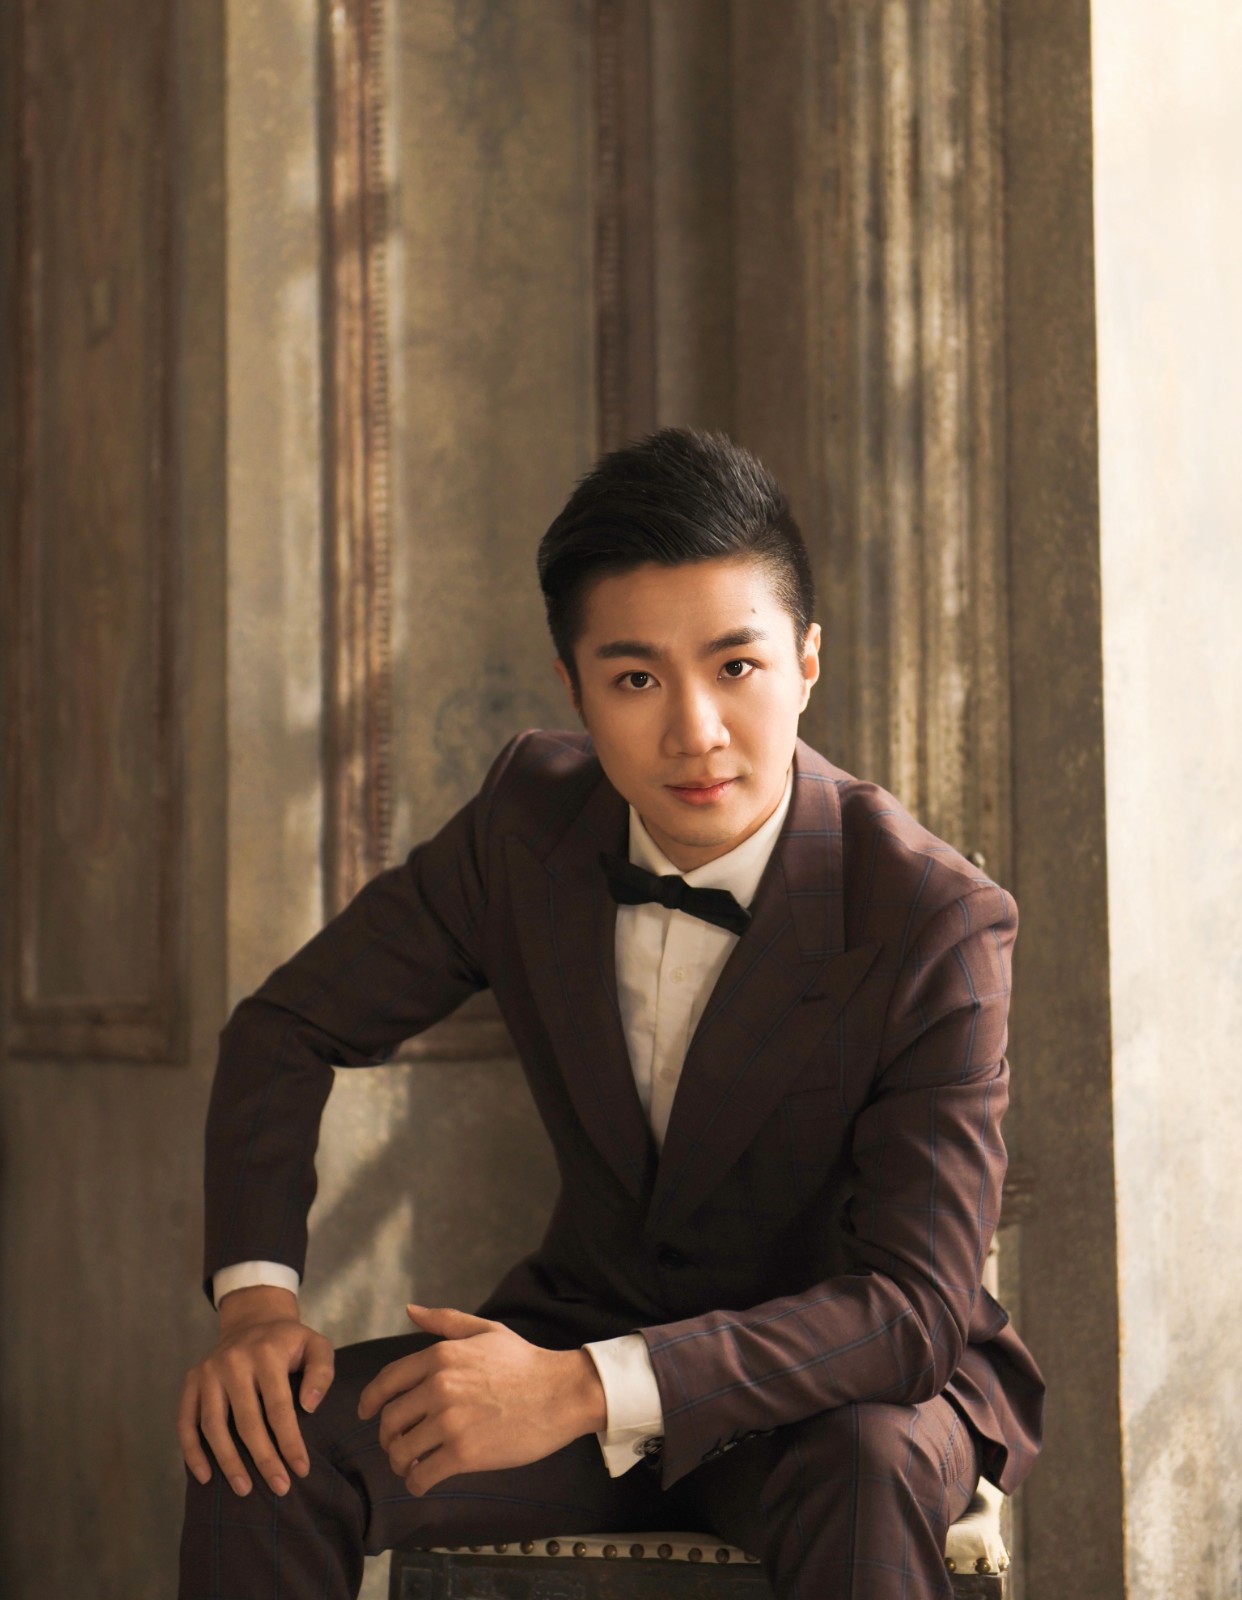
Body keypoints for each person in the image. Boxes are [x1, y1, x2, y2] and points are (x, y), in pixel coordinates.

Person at [177, 429, 1043, 1599]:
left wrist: (585, 1387)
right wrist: (255, 1312)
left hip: (834, 1393)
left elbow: (912, 1310)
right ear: (575, 689)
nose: (695, 731)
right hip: (574, 1340)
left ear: (807, 661)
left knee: (869, 1462)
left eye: (736, 666)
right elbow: (285, 1027)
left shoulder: (932, 914)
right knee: (262, 1449)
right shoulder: (529, 822)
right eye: (637, 679)